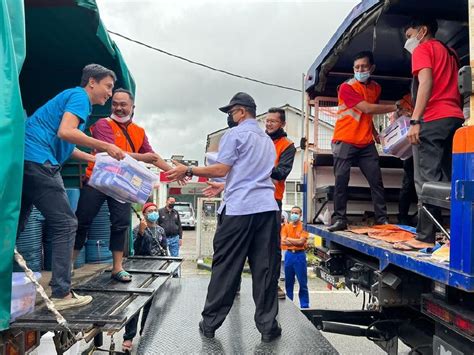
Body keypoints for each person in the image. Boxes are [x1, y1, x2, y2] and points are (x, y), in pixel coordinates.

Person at [166, 92, 281, 343]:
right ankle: (268, 326)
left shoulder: (234, 135)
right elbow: (251, 174)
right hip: (267, 208)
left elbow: (221, 169)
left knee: (226, 267)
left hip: (240, 210)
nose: (230, 117)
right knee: (266, 269)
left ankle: (210, 324)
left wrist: (188, 169)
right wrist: (225, 186)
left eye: (231, 113)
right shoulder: (267, 140)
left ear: (241, 111)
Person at [19, 64, 125, 310]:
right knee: (66, 223)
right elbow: (66, 132)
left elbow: (66, 145)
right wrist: (106, 146)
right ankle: (61, 293)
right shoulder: (79, 97)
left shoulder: (71, 101)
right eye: (107, 87)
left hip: (28, 161)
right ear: (91, 82)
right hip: (39, 162)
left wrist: (95, 158)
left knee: (16, 225)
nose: (109, 94)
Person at [73, 89, 171, 282]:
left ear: (132, 107)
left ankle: (117, 268)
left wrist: (172, 171)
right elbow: (112, 152)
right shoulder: (103, 125)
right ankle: (68, 267)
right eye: (115, 104)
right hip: (98, 181)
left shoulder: (139, 132)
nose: (118, 107)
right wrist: (142, 157)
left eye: (123, 104)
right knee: (82, 221)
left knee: (121, 224)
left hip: (123, 186)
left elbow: (152, 156)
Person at [403, 17, 464, 247]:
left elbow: (426, 81)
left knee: (426, 181)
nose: (408, 42)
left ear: (422, 31)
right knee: (450, 181)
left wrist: (415, 119)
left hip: (433, 119)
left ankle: (425, 237)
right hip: (455, 118)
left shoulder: (423, 49)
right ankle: (453, 233)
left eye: (409, 36)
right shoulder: (451, 53)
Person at [328, 51, 398, 232]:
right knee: (341, 181)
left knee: (376, 181)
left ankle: (382, 220)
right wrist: (395, 107)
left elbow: (368, 115)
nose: (360, 70)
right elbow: (366, 108)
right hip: (344, 140)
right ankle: (339, 219)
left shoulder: (376, 88)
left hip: (366, 142)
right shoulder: (346, 87)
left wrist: (374, 132)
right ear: (353, 69)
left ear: (371, 68)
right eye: (357, 67)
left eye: (364, 67)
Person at [122, 202, 167, 352]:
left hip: (157, 270)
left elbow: (164, 249)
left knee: (151, 305)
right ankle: (129, 336)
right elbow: (138, 250)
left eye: (155, 210)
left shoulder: (161, 230)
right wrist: (141, 234)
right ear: (144, 214)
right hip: (140, 270)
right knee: (136, 303)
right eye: (150, 211)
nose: (154, 213)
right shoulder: (137, 230)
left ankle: (146, 333)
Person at [265, 107, 296, 299]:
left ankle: (273, 283)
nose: (268, 124)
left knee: (272, 245)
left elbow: (282, 172)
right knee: (242, 240)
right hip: (250, 197)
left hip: (272, 199)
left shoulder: (287, 145)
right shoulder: (258, 140)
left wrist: (259, 166)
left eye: (273, 121)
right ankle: (234, 284)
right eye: (266, 121)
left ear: (282, 124)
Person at [281, 206, 309, 308]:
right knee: (288, 282)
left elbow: (302, 242)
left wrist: (289, 239)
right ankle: (289, 305)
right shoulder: (286, 226)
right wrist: (295, 241)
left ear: (301, 215)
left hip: (299, 256)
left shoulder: (304, 227)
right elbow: (283, 240)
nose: (294, 215)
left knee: (302, 282)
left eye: (296, 213)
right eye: (292, 212)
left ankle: (304, 305)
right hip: (289, 255)